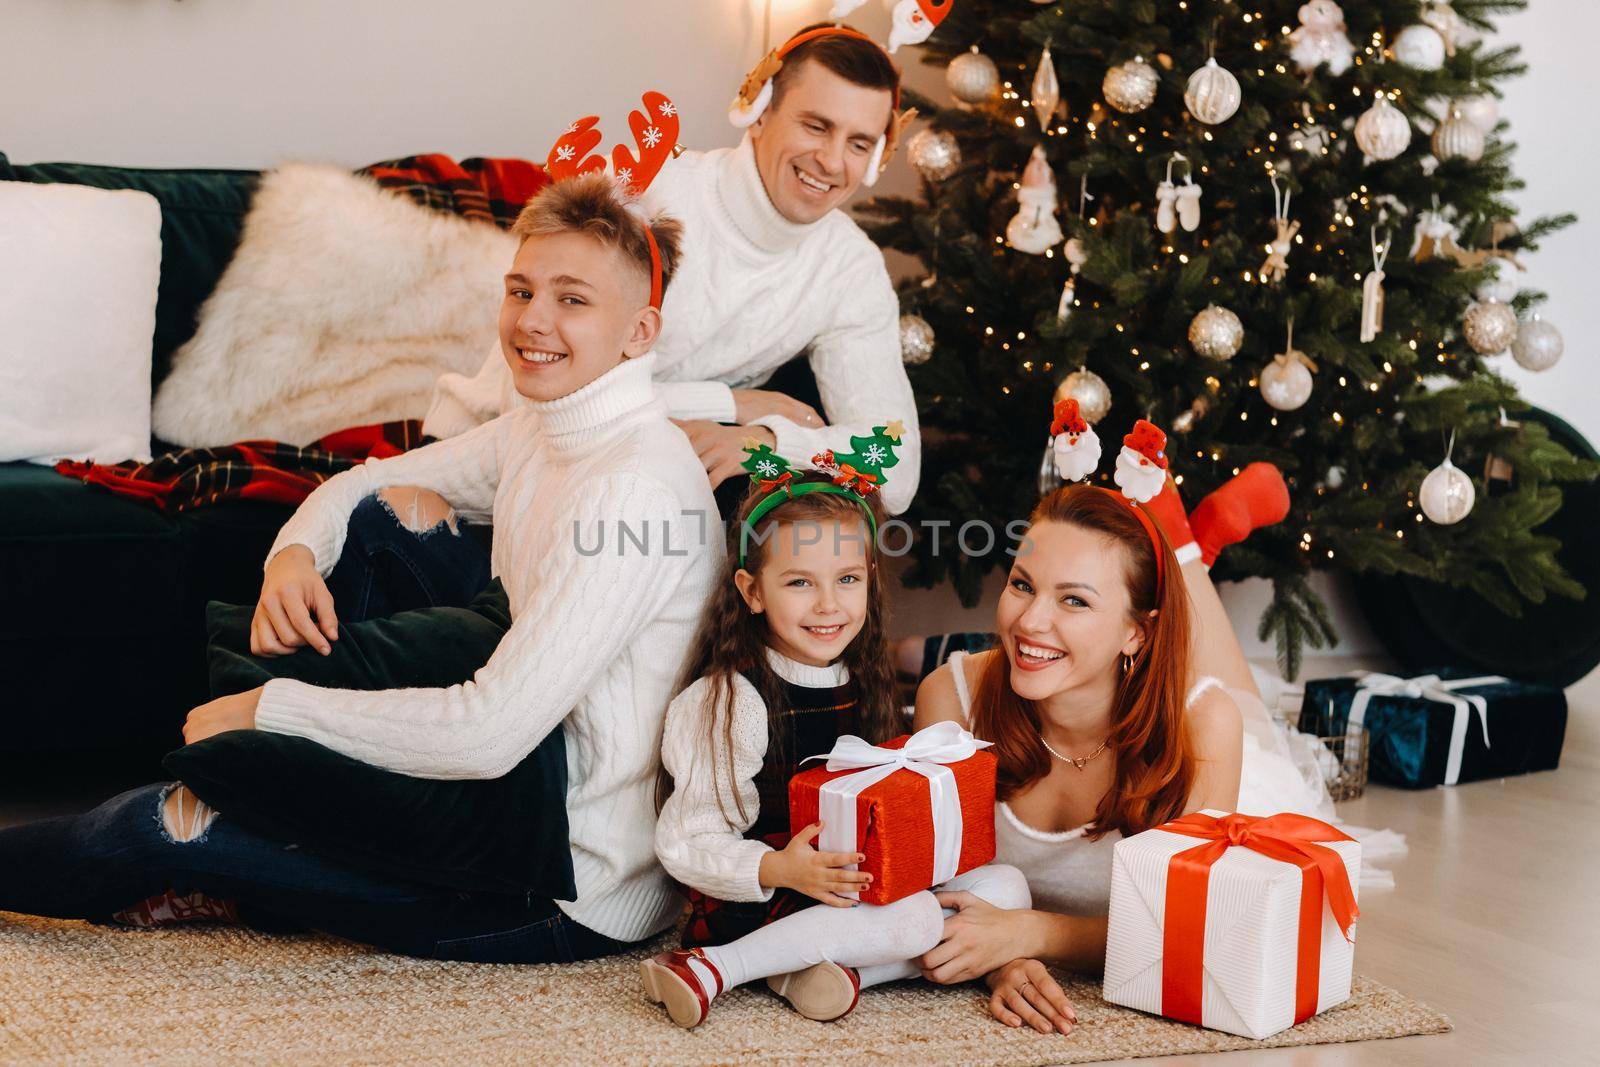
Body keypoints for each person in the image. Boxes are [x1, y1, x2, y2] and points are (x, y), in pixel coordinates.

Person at [0, 168, 720, 964]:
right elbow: (360, 485)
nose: (532, 320)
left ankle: (251, 841)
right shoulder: (546, 424)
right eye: (521, 290)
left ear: (640, 331)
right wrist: (294, 556)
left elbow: (489, 733)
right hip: (515, 783)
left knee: (164, 823)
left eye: (573, 299)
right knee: (374, 525)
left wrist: (275, 710)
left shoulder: (631, 490)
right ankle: (274, 823)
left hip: (554, 878)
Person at [423, 23, 921, 515]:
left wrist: (763, 442)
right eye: (816, 126)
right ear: (759, 112)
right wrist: (732, 405)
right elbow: (535, 402)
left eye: (859, 144)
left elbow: (896, 469)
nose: (832, 162)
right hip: (478, 465)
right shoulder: (645, 196)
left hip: (612, 483)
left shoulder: (851, 268)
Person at [644, 445, 1032, 1028]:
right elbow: (684, 839)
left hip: (850, 884)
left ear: (871, 581)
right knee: (918, 920)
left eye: (847, 578)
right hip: (764, 894)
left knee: (1006, 889)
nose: (829, 604)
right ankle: (717, 967)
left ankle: (838, 973)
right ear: (752, 592)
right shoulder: (728, 702)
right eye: (800, 582)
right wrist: (780, 869)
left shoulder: (864, 680)